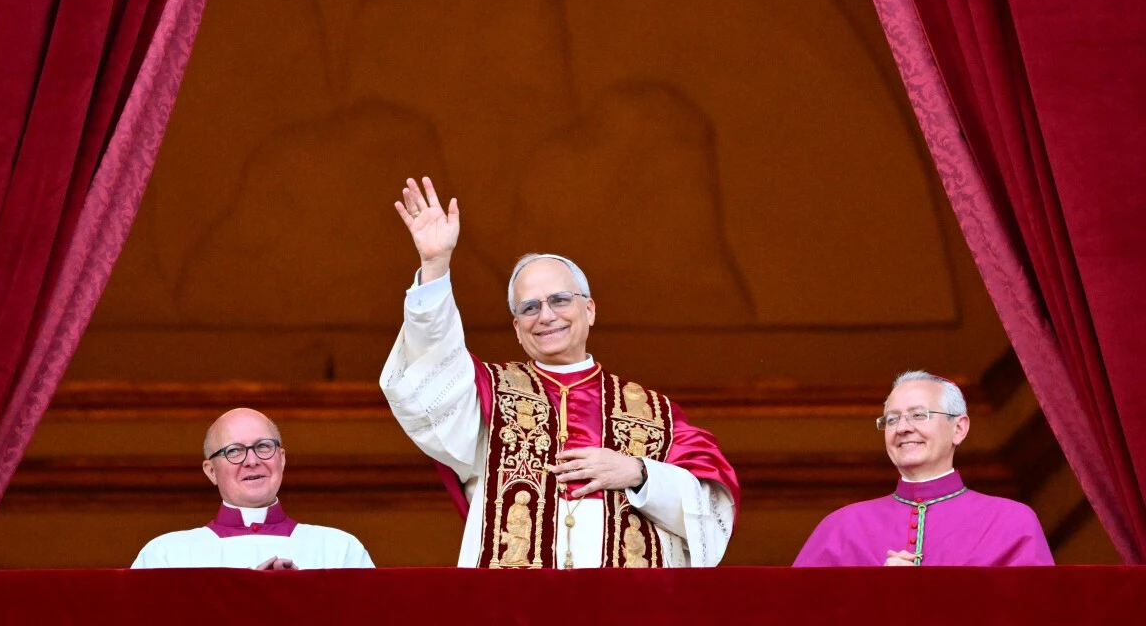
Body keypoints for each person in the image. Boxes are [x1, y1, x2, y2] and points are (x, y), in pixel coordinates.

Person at [380, 177, 739, 569]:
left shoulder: (655, 413)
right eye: (529, 308)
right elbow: (432, 365)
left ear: (590, 310)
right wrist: (435, 266)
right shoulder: (485, 396)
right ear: (517, 329)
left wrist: (639, 473)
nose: (546, 315)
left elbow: (712, 508)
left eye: (560, 300)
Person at [793, 370, 1054, 567]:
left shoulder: (1011, 522)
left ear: (959, 428)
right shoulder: (841, 527)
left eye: (919, 415)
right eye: (892, 419)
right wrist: (871, 593)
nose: (903, 428)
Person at [131, 408, 374, 569]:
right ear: (211, 471)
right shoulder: (166, 557)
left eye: (263, 446)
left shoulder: (340, 551)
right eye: (234, 451)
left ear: (282, 459)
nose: (252, 460)